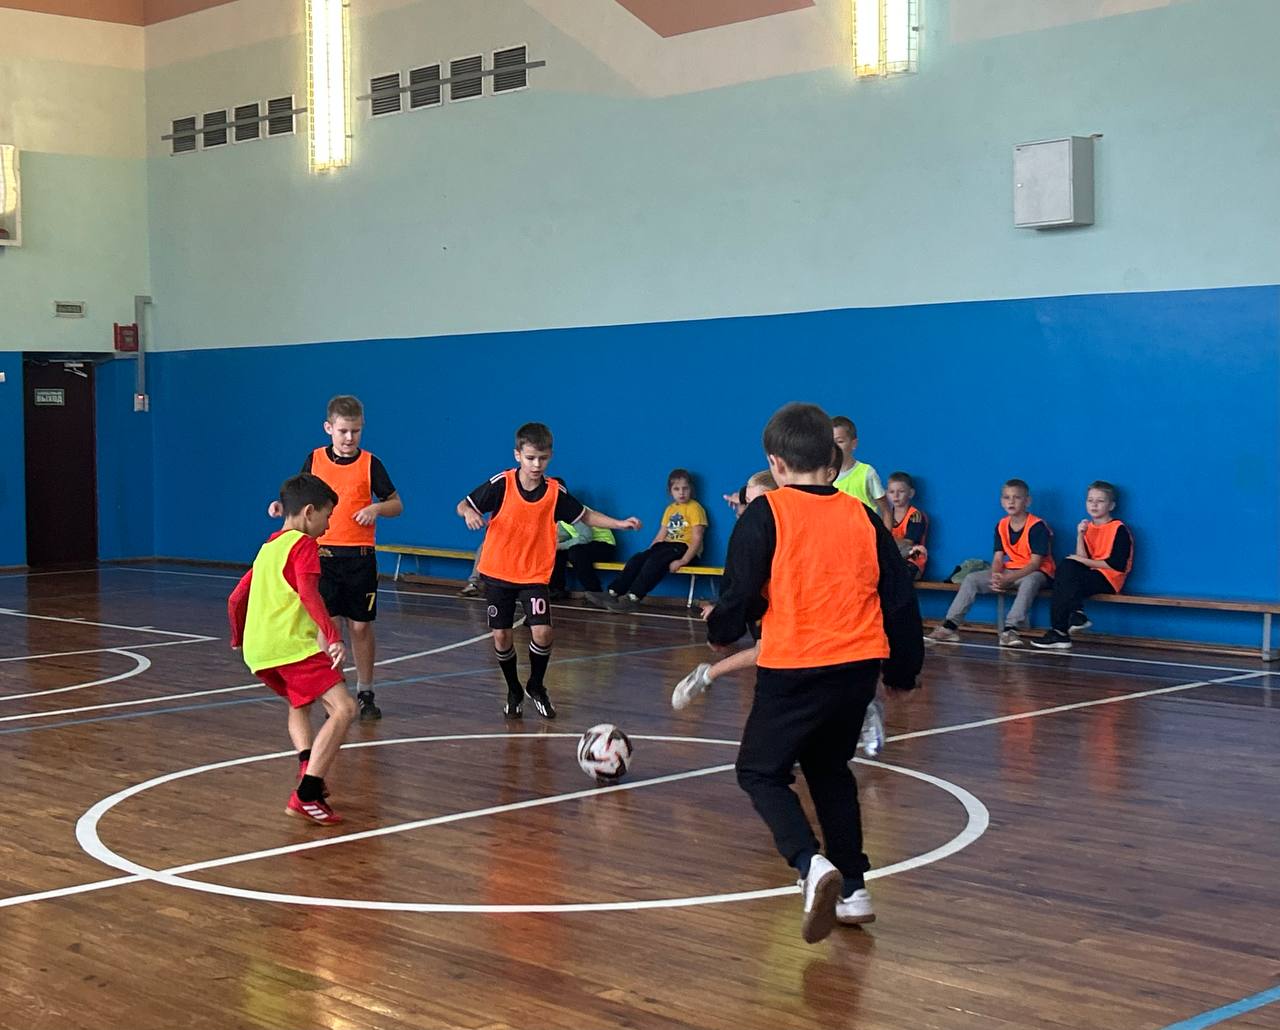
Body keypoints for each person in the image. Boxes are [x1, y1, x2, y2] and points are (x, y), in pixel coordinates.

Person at [697, 403, 923, 943]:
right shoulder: (863, 516)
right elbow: (899, 599)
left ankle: (809, 863)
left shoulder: (766, 514)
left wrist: (721, 630)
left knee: (759, 771)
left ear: (775, 463)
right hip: (857, 668)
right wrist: (903, 671)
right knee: (829, 768)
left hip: (795, 665)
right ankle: (855, 889)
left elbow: (740, 592)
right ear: (831, 458)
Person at [457, 422, 640, 718]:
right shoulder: (502, 484)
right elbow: (463, 505)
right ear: (517, 455)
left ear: (550, 456)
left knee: (542, 632)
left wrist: (620, 523)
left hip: (533, 575)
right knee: (501, 636)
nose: (536, 464)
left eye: (542, 458)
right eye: (530, 458)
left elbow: (586, 516)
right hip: (498, 572)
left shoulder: (555, 492)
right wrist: (469, 514)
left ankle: (536, 685)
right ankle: (513, 689)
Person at [230, 474, 355, 825]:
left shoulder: (268, 548)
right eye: (327, 516)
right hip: (291, 647)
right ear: (309, 512)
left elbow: (236, 597)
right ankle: (307, 794)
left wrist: (239, 638)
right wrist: (333, 635)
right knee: (344, 709)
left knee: (299, 703)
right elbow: (308, 594)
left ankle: (306, 765)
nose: (328, 526)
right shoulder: (303, 545)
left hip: (259, 652)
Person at [271, 395, 403, 721]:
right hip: (322, 556)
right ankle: (333, 691)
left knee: (360, 626)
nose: (349, 438)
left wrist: (376, 508)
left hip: (359, 558)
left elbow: (396, 504)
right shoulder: (315, 460)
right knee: (327, 625)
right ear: (328, 428)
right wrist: (281, 507)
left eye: (355, 431)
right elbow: (299, 497)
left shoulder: (370, 464)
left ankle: (366, 691)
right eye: (343, 431)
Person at [928, 479, 1055, 648]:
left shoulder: (1037, 526)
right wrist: (996, 576)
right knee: (972, 579)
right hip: (1011, 570)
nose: (1011, 501)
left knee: (1030, 581)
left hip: (1037, 572)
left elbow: (1035, 564)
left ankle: (1010, 629)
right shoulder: (1001, 525)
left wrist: (1008, 579)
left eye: (1017, 497)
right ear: (1001, 501)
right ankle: (949, 626)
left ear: (1027, 501)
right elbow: (997, 558)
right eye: (1007, 497)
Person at [587, 469, 707, 612]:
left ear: (691, 489)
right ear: (670, 491)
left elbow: (697, 538)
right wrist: (648, 553)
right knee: (637, 559)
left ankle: (634, 597)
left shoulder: (695, 508)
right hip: (667, 547)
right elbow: (661, 535)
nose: (681, 492)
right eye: (676, 489)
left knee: (656, 560)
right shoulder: (670, 509)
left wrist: (683, 560)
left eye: (685, 488)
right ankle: (613, 592)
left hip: (684, 549)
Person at [1032, 481, 1133, 650]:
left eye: (1100, 501)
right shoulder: (1088, 527)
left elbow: (1117, 565)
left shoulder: (1119, 529)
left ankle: (1061, 630)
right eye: (1090, 500)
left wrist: (1081, 562)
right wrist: (1080, 535)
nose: (1094, 504)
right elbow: (1082, 558)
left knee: (1065, 576)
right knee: (1065, 571)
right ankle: (1076, 616)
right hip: (1089, 574)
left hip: (1109, 579)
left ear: (1111, 506)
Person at [831, 416, 893, 528]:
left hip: (866, 536)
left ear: (854, 444)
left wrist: (886, 538)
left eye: (840, 441)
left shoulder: (867, 473)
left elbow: (886, 511)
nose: (834, 447)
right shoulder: (823, 476)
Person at [550, 519, 616, 598]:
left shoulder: (576, 514)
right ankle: (556, 589)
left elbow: (585, 538)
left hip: (604, 546)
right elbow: (563, 537)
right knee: (557, 552)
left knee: (576, 552)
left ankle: (595, 592)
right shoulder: (560, 518)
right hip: (583, 547)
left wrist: (560, 546)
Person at [886, 471, 929, 581]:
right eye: (891, 492)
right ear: (887, 494)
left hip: (910, 557)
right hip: (892, 556)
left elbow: (908, 544)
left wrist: (885, 540)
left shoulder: (915, 515)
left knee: (918, 551)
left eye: (901, 491)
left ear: (910, 493)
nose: (896, 496)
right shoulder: (886, 516)